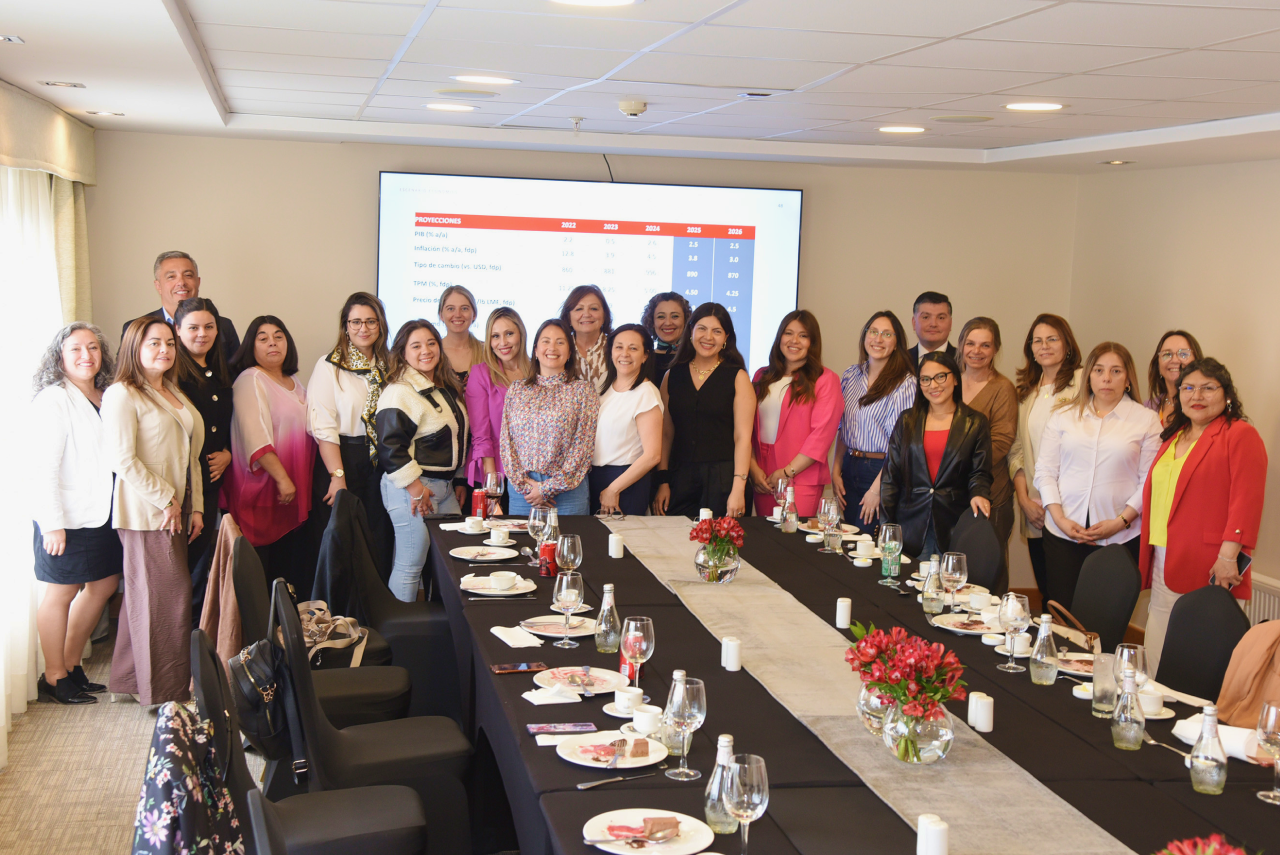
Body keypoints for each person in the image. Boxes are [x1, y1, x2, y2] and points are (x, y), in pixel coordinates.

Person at [1138, 358, 1266, 676]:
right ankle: (1155, 699)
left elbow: (1247, 501)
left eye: (1208, 388)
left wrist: (1228, 556)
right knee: (1158, 646)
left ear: (1227, 395)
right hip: (1164, 556)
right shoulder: (1175, 435)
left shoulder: (1239, 434)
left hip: (1211, 563)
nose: (1197, 395)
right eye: (1189, 388)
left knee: (1199, 656)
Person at [102, 318, 204, 706]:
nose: (164, 349)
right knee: (168, 599)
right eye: (154, 343)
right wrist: (166, 498)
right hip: (148, 511)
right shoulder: (122, 394)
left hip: (176, 508)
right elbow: (122, 460)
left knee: (148, 595)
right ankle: (164, 691)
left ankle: (129, 679)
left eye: (169, 343)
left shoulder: (171, 390)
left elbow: (190, 456)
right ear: (134, 348)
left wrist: (196, 507)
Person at [31, 323, 123, 704]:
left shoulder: (108, 395)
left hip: (103, 512)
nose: (87, 355)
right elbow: (43, 467)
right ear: (60, 358)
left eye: (93, 348)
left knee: (104, 585)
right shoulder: (53, 399)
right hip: (65, 517)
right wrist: (52, 524)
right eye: (76, 349)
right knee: (61, 591)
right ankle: (54, 677)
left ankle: (71, 665)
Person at [1034, 342, 1161, 609]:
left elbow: (1149, 481)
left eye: (1116, 371)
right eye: (1099, 370)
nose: (1106, 378)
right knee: (1063, 616)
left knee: (1105, 617)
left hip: (1120, 537)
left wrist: (1121, 522)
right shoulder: (1063, 416)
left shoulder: (1147, 420)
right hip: (1063, 533)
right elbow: (1045, 471)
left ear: (1128, 379)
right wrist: (1059, 518)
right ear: (1088, 376)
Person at [376, 321, 469, 602]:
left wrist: (459, 478)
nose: (426, 350)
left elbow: (457, 435)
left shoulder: (442, 387)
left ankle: (441, 623)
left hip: (444, 488)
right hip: (414, 488)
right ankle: (401, 629)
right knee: (410, 565)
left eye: (431, 343)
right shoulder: (400, 390)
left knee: (454, 560)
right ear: (403, 353)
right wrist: (416, 489)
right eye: (416, 346)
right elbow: (390, 447)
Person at [225, 316, 316, 593]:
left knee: (285, 568)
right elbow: (256, 437)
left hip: (291, 490)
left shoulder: (293, 380)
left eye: (278, 336)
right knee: (261, 572)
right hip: (266, 490)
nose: (272, 343)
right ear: (251, 347)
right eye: (263, 338)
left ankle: (283, 617)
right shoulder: (251, 379)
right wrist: (283, 479)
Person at [307, 292, 394, 580]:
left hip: (381, 462)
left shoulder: (390, 366)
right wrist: (337, 476)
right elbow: (324, 427)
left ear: (380, 325)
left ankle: (375, 604)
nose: (363, 328)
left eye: (371, 321)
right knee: (341, 542)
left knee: (378, 539)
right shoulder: (329, 365)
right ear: (345, 326)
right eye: (356, 322)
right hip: (343, 457)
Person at [881, 352, 992, 559]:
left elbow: (979, 472)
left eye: (940, 376)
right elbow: (891, 477)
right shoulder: (907, 420)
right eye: (925, 379)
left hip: (954, 522)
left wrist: (979, 493)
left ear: (955, 379)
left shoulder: (975, 422)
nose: (933, 385)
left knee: (949, 579)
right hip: (911, 523)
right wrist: (887, 526)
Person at [653, 303, 755, 519]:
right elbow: (666, 434)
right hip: (679, 479)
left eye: (716, 331)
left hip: (724, 480)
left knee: (720, 541)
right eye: (702, 328)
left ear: (726, 337)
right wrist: (663, 481)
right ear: (691, 331)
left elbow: (743, 438)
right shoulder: (672, 375)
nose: (708, 337)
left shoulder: (738, 377)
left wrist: (738, 488)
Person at [1008, 314, 1083, 602]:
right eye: (1037, 341)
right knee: (1047, 591)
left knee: (1071, 595)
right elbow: (1017, 451)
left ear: (1067, 344)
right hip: (1036, 509)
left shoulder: (1084, 383)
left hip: (1072, 507)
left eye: (1052, 339)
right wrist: (1024, 501)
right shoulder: (1027, 391)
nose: (1044, 346)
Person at [172, 298, 233, 621]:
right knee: (179, 567)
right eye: (193, 327)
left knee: (199, 565)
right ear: (177, 330)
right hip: (182, 484)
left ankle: (197, 634)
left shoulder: (219, 370)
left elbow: (226, 425)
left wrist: (228, 453)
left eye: (209, 327)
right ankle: (178, 636)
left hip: (211, 481)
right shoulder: (171, 374)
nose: (202, 334)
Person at [748, 310, 842, 518]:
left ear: (812, 342)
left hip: (800, 478)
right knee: (765, 536)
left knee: (792, 536)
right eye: (788, 333)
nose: (794, 341)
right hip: (763, 478)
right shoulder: (761, 376)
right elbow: (748, 428)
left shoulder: (825, 379)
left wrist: (786, 472)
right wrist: (753, 469)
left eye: (803, 335)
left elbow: (821, 437)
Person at [500, 319, 599, 515]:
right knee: (521, 537)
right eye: (546, 341)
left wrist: (547, 489)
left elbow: (583, 446)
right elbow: (506, 442)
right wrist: (526, 487)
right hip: (524, 491)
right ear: (536, 350)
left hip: (568, 492)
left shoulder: (583, 391)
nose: (552, 347)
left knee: (568, 537)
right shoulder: (517, 390)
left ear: (569, 353)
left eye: (560, 342)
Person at [833, 311, 917, 534]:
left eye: (887, 334)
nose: (878, 339)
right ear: (865, 336)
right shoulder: (851, 375)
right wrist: (836, 469)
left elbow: (901, 446)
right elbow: (844, 427)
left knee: (867, 541)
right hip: (849, 465)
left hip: (880, 471)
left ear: (897, 343)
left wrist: (877, 490)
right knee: (848, 538)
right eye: (873, 332)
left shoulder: (906, 384)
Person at [957, 317, 1018, 556]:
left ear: (995, 349)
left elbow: (1001, 443)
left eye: (985, 345)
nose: (977, 351)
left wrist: (956, 467)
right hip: (953, 495)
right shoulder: (949, 383)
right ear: (961, 345)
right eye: (970, 343)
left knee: (986, 566)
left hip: (990, 496)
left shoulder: (1003, 388)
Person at [590, 324, 663, 515]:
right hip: (596, 477)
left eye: (633, 348)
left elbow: (653, 455)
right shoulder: (604, 383)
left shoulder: (646, 393)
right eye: (619, 347)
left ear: (645, 355)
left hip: (625, 482)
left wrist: (614, 489)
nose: (625, 354)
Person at [465, 307, 531, 508]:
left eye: (509, 334)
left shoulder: (537, 371)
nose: (503, 343)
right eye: (495, 336)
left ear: (521, 334)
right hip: (498, 474)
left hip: (535, 475)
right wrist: (492, 488)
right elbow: (481, 436)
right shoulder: (481, 374)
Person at [121, 251, 239, 362]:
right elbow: (126, 371)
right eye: (171, 277)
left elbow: (236, 373)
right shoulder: (137, 328)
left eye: (188, 275)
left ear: (198, 282)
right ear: (158, 286)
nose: (181, 282)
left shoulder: (224, 326)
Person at [560, 284, 612, 392]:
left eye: (594, 308)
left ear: (604, 315)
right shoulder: (559, 349)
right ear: (568, 317)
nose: (586, 314)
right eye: (579, 309)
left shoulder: (616, 348)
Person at [1146, 330, 1204, 426]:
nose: (1175, 360)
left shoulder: (1204, 403)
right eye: (1167, 354)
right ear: (1158, 365)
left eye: (1183, 354)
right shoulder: (1149, 407)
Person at [438, 285, 485, 388]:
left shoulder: (488, 352)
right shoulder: (432, 353)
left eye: (464, 308)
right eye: (451, 309)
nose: (458, 314)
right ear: (441, 315)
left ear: (474, 314)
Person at [641, 291, 691, 383]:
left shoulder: (696, 357)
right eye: (661, 317)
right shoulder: (643, 359)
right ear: (652, 322)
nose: (668, 323)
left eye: (675, 316)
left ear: (686, 320)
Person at [906, 291, 955, 371]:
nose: (933, 324)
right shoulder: (900, 360)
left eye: (941, 318)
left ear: (950, 323)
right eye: (925, 317)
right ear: (914, 323)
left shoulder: (963, 360)